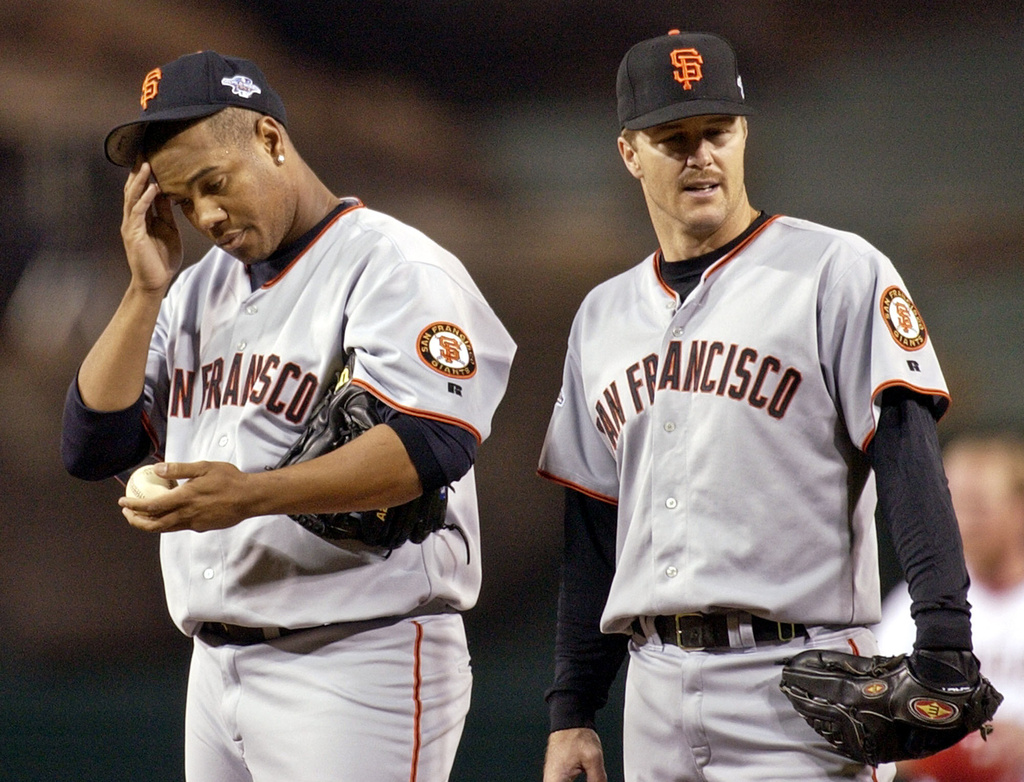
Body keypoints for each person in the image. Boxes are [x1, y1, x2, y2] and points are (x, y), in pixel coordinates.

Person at [537, 29, 986, 782]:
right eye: (674, 138)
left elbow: (907, 457)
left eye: (717, 130)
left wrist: (944, 637)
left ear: (743, 133)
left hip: (800, 683)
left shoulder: (836, 270)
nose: (700, 154)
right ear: (629, 154)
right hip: (652, 690)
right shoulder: (601, 316)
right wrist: (572, 711)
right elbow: (592, 524)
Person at [61, 51, 515, 782]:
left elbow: (431, 446)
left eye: (215, 183)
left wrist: (248, 495)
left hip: (358, 657)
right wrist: (145, 290)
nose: (205, 214)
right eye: (181, 199)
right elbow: (92, 444)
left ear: (272, 141)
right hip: (215, 669)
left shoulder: (395, 265)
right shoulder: (191, 291)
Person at [874, 432, 1024, 782]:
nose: (966, 523)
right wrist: (941, 752)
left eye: (979, 507)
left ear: (1019, 509)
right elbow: (878, 730)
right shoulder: (915, 606)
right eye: (955, 507)